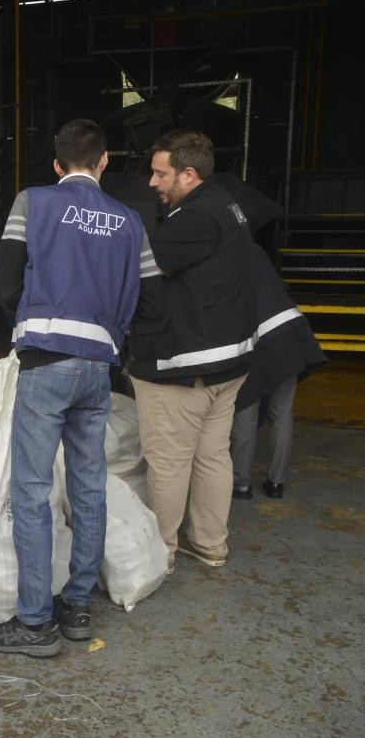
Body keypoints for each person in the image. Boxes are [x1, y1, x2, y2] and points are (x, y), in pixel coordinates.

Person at [0, 118, 151, 657]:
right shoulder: (130, 220)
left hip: (45, 361)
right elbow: (153, 298)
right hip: (99, 366)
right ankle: (77, 608)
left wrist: (37, 312)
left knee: (31, 492)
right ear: (104, 163)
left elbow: (5, 284)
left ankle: (33, 624)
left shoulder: (33, 202)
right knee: (88, 486)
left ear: (57, 165)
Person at [127, 129, 258, 570]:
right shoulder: (228, 205)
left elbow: (139, 271)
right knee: (211, 456)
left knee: (168, 463)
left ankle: (158, 554)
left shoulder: (195, 219)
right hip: (227, 362)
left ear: (188, 173)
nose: (152, 182)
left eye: (160, 174)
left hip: (184, 367)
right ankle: (209, 544)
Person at [230, 249, 326, 500]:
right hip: (291, 333)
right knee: (282, 415)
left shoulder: (226, 253)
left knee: (245, 413)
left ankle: (240, 483)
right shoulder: (258, 251)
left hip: (259, 340)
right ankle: (276, 483)